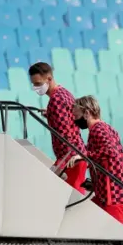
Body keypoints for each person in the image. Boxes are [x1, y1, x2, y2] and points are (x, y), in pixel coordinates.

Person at [28, 62, 87, 193]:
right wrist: (50, 114)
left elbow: (66, 135)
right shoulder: (64, 93)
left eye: (38, 84)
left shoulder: (56, 100)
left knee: (70, 202)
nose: (36, 87)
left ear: (49, 79)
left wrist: (61, 165)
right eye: (34, 84)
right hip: (75, 155)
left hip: (70, 159)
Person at [74, 96, 123, 225]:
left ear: (87, 113)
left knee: (115, 237)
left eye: (76, 116)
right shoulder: (106, 128)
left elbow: (110, 151)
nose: (75, 120)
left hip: (113, 195)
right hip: (108, 193)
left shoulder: (98, 129)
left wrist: (84, 156)